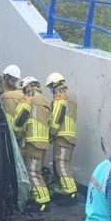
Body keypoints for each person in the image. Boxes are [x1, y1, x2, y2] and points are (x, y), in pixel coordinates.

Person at [12, 76, 52, 211]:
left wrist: (16, 132)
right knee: (37, 171)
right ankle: (40, 198)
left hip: (33, 140)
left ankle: (42, 202)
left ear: (28, 87)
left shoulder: (29, 97)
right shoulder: (46, 100)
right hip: (43, 141)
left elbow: (21, 115)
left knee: (33, 172)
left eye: (24, 89)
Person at [46, 72, 78, 202]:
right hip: (69, 136)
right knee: (63, 164)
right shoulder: (70, 96)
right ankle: (62, 191)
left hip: (62, 135)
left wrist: (51, 132)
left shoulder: (60, 96)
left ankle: (70, 193)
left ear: (55, 84)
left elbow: (58, 115)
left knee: (61, 165)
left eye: (50, 88)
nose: (50, 91)